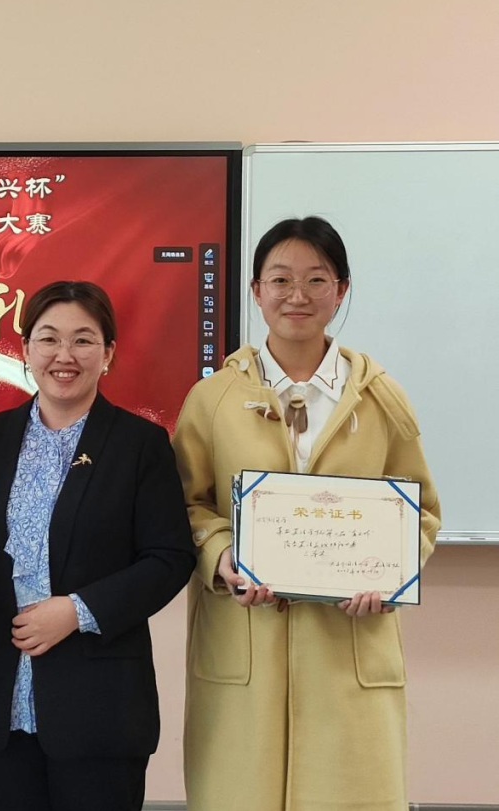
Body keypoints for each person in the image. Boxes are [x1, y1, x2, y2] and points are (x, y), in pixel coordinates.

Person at [172, 216, 441, 811]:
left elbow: (420, 510)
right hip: (245, 645)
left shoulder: (381, 399)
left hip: (348, 645)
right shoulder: (213, 399)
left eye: (316, 280)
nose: (297, 295)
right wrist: (223, 556)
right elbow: (187, 504)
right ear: (256, 290)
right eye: (281, 280)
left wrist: (388, 575)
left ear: (340, 290)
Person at [0, 280, 195, 811]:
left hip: (98, 701)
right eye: (49, 338)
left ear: (108, 353)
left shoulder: (140, 445)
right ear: (26, 348)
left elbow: (169, 559)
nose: (64, 355)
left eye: (83, 340)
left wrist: (77, 611)